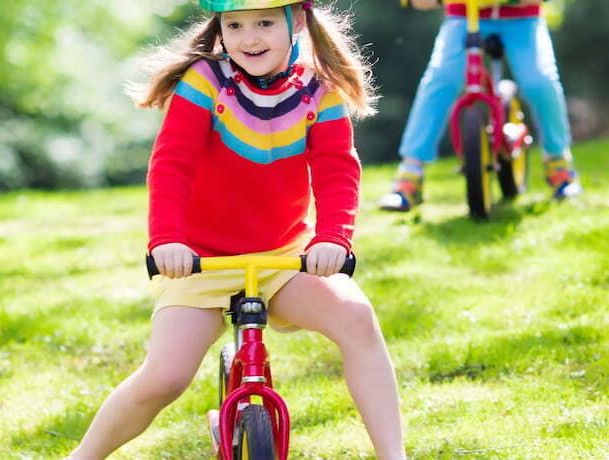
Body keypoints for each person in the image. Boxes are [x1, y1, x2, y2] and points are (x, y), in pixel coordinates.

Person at [66, 0, 406, 459]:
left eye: (265, 23)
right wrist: (167, 239)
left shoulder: (318, 90)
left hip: (281, 258)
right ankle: (82, 456)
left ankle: (394, 454)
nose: (249, 38)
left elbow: (336, 171)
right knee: (165, 376)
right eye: (235, 25)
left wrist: (332, 238)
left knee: (357, 320)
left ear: (297, 22)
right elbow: (172, 164)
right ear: (220, 28)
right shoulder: (206, 82)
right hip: (200, 262)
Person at [379, 0, 582, 212]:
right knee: (441, 80)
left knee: (539, 82)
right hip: (464, 16)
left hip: (522, 18)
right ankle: (410, 175)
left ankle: (559, 163)